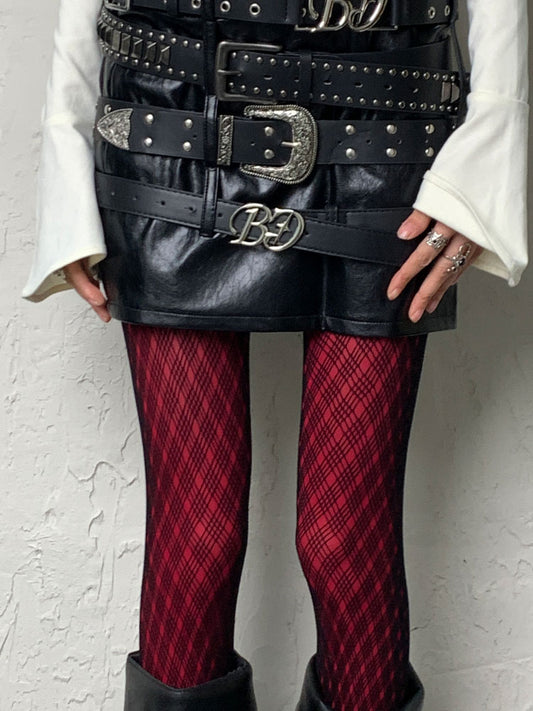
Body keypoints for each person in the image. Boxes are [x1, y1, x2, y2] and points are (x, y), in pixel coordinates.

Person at [21, 1, 529, 710]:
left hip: (382, 111)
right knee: (196, 541)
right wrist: (65, 147)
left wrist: (493, 130)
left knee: (343, 542)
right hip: (175, 108)